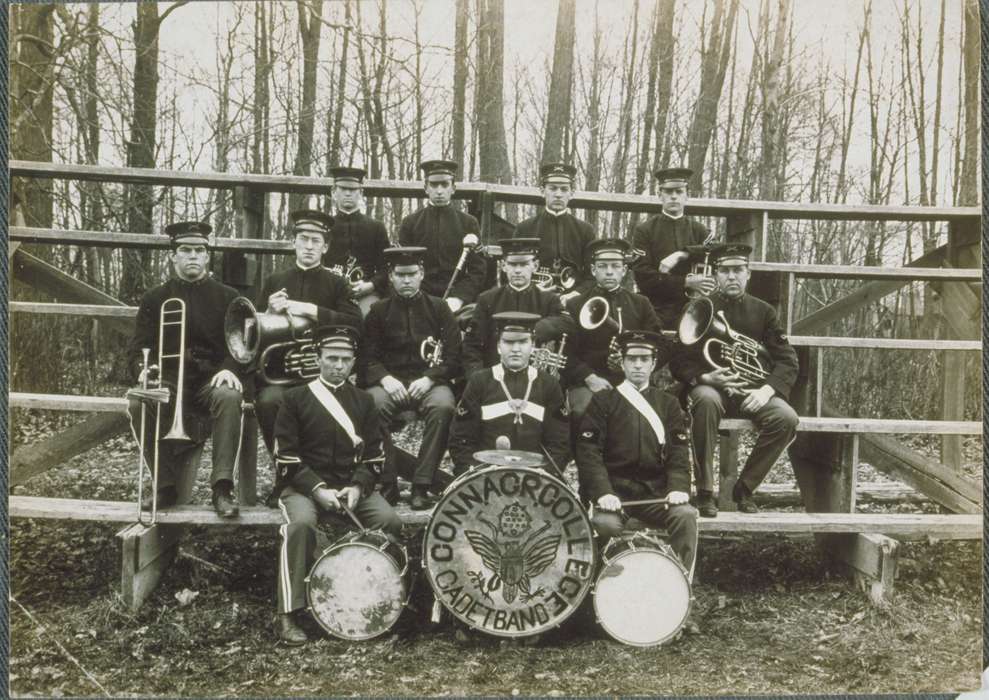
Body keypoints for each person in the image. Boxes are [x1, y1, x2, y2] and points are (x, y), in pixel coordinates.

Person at [272, 324, 402, 645]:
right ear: (318, 359)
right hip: (303, 488)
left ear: (354, 362)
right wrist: (317, 489)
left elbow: (374, 456)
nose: (338, 365)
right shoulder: (294, 399)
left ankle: (369, 600)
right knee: (300, 526)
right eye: (331, 358)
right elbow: (285, 458)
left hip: (349, 488)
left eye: (345, 359)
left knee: (389, 521)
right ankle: (288, 613)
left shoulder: (363, 401)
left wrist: (358, 487)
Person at [670, 243, 799, 517]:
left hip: (751, 391)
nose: (731, 276)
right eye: (725, 271)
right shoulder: (699, 307)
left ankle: (746, 489)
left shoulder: (764, 312)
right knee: (704, 401)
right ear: (716, 275)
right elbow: (678, 358)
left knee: (786, 418)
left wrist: (767, 391)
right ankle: (705, 492)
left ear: (748, 274)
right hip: (710, 388)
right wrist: (704, 376)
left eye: (738, 270)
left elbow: (787, 359)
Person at [127, 221, 245, 518]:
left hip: (211, 379)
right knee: (138, 401)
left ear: (208, 256)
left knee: (230, 397)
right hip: (170, 381)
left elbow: (243, 345)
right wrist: (143, 370)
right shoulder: (155, 298)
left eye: (199, 250)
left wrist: (231, 367)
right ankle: (164, 485)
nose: (192, 255)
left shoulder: (228, 297)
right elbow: (137, 348)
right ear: (173, 256)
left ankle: (222, 487)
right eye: (185, 250)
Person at [574, 330, 698, 588]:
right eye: (632, 359)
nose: (638, 365)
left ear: (654, 363)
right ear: (622, 362)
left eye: (644, 359)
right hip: (616, 494)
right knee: (603, 524)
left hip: (657, 493)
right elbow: (589, 453)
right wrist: (603, 493)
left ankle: (678, 590)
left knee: (685, 516)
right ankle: (605, 592)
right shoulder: (603, 401)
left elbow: (678, 453)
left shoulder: (669, 404)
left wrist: (677, 488)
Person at [253, 210, 362, 488]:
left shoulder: (337, 284)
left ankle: (322, 479)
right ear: (294, 243)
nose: (309, 246)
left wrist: (309, 310)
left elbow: (354, 322)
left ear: (326, 247)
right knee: (267, 402)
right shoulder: (275, 281)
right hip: (282, 374)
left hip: (323, 375)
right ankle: (286, 476)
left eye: (316, 241)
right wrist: (267, 312)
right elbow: (254, 332)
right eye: (304, 239)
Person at [362, 247, 462, 510]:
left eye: (412, 274)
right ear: (391, 277)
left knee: (444, 407)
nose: (406, 280)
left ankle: (422, 485)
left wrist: (430, 378)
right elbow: (366, 357)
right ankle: (388, 483)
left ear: (421, 275)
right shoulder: (377, 311)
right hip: (389, 384)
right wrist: (385, 379)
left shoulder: (440, 308)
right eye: (400, 275)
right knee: (373, 406)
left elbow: (453, 356)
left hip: (429, 383)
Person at [449, 312, 570, 476]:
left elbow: (559, 442)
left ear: (532, 345)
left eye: (523, 342)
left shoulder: (549, 384)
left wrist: (546, 473)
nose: (516, 349)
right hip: (486, 474)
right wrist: (471, 472)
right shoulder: (480, 381)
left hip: (535, 476)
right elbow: (461, 438)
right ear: (498, 346)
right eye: (508, 342)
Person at [562, 238, 663, 432]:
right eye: (603, 266)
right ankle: (581, 461)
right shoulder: (576, 305)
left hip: (633, 379)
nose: (609, 272)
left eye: (616, 266)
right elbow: (566, 353)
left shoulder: (641, 303)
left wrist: (634, 365)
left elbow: (661, 345)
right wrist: (589, 377)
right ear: (593, 270)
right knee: (583, 410)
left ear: (624, 271)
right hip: (588, 380)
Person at [461, 237, 566, 378]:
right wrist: (478, 379)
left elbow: (567, 325)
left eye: (523, 265)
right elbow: (472, 346)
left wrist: (541, 327)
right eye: (512, 264)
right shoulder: (487, 299)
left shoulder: (549, 300)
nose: (517, 270)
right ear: (503, 266)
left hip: (537, 381)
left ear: (535, 265)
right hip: (494, 379)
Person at [631, 167, 713, 332]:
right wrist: (686, 282)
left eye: (679, 191)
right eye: (668, 191)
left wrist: (682, 253)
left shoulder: (699, 230)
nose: (674, 196)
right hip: (656, 310)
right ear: (659, 195)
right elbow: (643, 277)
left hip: (693, 309)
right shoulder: (644, 230)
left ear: (687, 195)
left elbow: (716, 250)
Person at [398, 159, 485, 314]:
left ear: (453, 188)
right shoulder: (410, 223)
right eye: (434, 185)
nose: (439, 191)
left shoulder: (468, 223)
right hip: (418, 296)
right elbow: (404, 266)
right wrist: (418, 296)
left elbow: (477, 270)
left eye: (445, 185)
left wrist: (458, 298)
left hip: (458, 301)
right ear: (426, 188)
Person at [513, 162, 596, 300]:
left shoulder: (585, 230)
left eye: (564, 189)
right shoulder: (524, 228)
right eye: (552, 188)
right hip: (533, 298)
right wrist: (532, 290)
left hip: (573, 300)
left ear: (572, 193)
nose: (558, 194)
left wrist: (576, 294)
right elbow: (514, 269)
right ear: (542, 191)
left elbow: (591, 275)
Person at [322, 166, 391, 311]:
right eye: (342, 189)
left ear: (361, 193)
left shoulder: (376, 227)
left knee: (371, 316)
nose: (348, 193)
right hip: (330, 292)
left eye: (353, 190)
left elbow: (386, 268)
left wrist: (370, 285)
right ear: (333, 192)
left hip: (366, 293)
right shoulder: (325, 227)